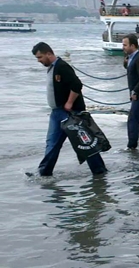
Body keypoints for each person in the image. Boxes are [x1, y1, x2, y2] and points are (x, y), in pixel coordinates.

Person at [31, 42, 107, 177]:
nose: (39, 61)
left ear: (49, 53)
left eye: (40, 57)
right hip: (56, 113)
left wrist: (69, 103)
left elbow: (77, 85)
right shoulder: (52, 68)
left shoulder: (62, 66)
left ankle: (99, 171)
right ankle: (44, 172)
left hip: (70, 113)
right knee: (52, 143)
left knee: (84, 142)